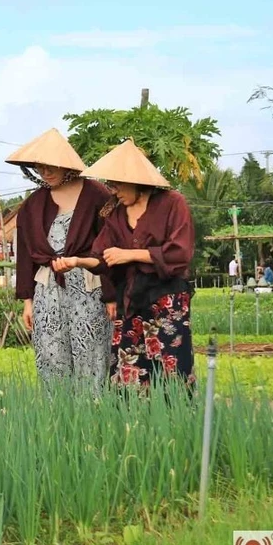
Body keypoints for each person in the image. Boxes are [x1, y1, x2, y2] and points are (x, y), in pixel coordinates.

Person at [77, 139, 197, 390]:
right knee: (129, 372)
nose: (113, 190)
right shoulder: (117, 214)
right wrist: (77, 261)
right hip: (130, 300)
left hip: (166, 298)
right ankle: (135, 425)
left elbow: (179, 253)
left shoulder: (172, 203)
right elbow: (102, 256)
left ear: (135, 180)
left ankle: (177, 421)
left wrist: (131, 254)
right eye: (110, 184)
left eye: (117, 184)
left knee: (172, 369)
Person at [6, 128, 114, 392]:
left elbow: (110, 245)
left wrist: (112, 295)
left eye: (51, 165)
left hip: (88, 287)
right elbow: (25, 256)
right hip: (47, 289)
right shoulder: (33, 204)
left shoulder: (97, 194)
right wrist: (28, 302)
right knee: (51, 353)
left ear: (66, 164)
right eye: (40, 166)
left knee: (91, 352)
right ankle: (58, 420)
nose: (45, 171)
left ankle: (95, 417)